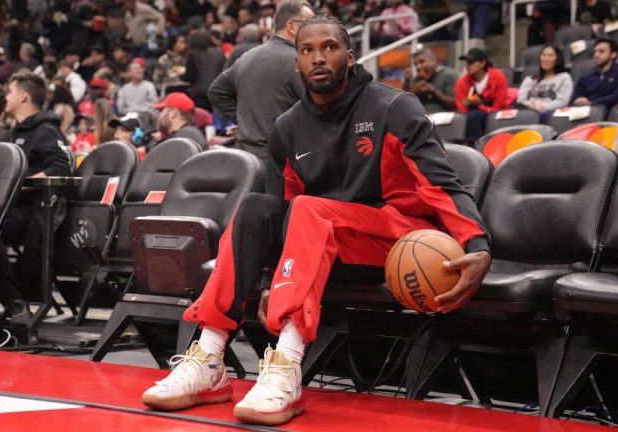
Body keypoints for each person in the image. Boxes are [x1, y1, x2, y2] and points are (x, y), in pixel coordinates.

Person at [141, 15, 491, 426]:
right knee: (256, 207)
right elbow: (280, 212)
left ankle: (286, 363)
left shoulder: (395, 106)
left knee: (309, 208)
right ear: (296, 62)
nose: (318, 58)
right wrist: (275, 277)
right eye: (307, 50)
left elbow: (441, 183)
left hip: (396, 237)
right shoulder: (287, 127)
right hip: (322, 238)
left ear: (351, 55)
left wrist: (478, 244)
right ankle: (209, 358)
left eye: (329, 47)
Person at [208, 0, 315, 192]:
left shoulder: (248, 57)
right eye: (310, 23)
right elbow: (317, 110)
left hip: (245, 162)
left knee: (249, 218)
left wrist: (243, 119)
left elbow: (216, 92)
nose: (315, 29)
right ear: (292, 26)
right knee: (280, 219)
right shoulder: (298, 61)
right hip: (282, 166)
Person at [2, 72, 72, 310]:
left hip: (30, 210)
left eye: (9, 91)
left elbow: (61, 168)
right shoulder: (11, 133)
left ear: (23, 96)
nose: (6, 96)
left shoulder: (46, 130)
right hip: (6, 206)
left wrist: (18, 185)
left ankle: (11, 296)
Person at [454, 47, 510, 141]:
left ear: (483, 63)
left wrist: (479, 105)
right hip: (471, 119)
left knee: (474, 115)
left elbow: (500, 107)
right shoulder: (461, 83)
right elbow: (462, 110)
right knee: (470, 116)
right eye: (467, 63)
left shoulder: (498, 77)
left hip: (495, 115)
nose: (468, 66)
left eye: (471, 62)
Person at [571, 38, 618, 110]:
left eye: (601, 51)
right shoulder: (585, 77)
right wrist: (578, 101)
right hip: (587, 113)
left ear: (613, 54)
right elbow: (574, 99)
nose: (596, 55)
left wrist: (592, 103)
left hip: (612, 112)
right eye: (595, 52)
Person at [516, 45, 573, 117]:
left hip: (552, 115)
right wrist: (531, 105)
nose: (546, 59)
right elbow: (520, 101)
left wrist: (543, 106)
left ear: (558, 59)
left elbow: (563, 101)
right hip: (529, 115)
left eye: (551, 55)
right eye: (544, 55)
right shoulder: (529, 79)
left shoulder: (564, 77)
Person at [405, 47, 458, 113]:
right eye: (415, 64)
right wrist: (411, 87)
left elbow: (456, 105)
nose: (418, 67)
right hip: (421, 119)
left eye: (422, 62)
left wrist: (434, 92)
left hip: (445, 118)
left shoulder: (450, 75)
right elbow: (404, 105)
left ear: (433, 61)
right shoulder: (416, 80)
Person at [183, 29, 226, 111]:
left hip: (198, 93)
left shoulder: (193, 53)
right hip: (215, 91)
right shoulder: (219, 51)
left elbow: (190, 76)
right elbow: (223, 70)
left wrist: (181, 76)